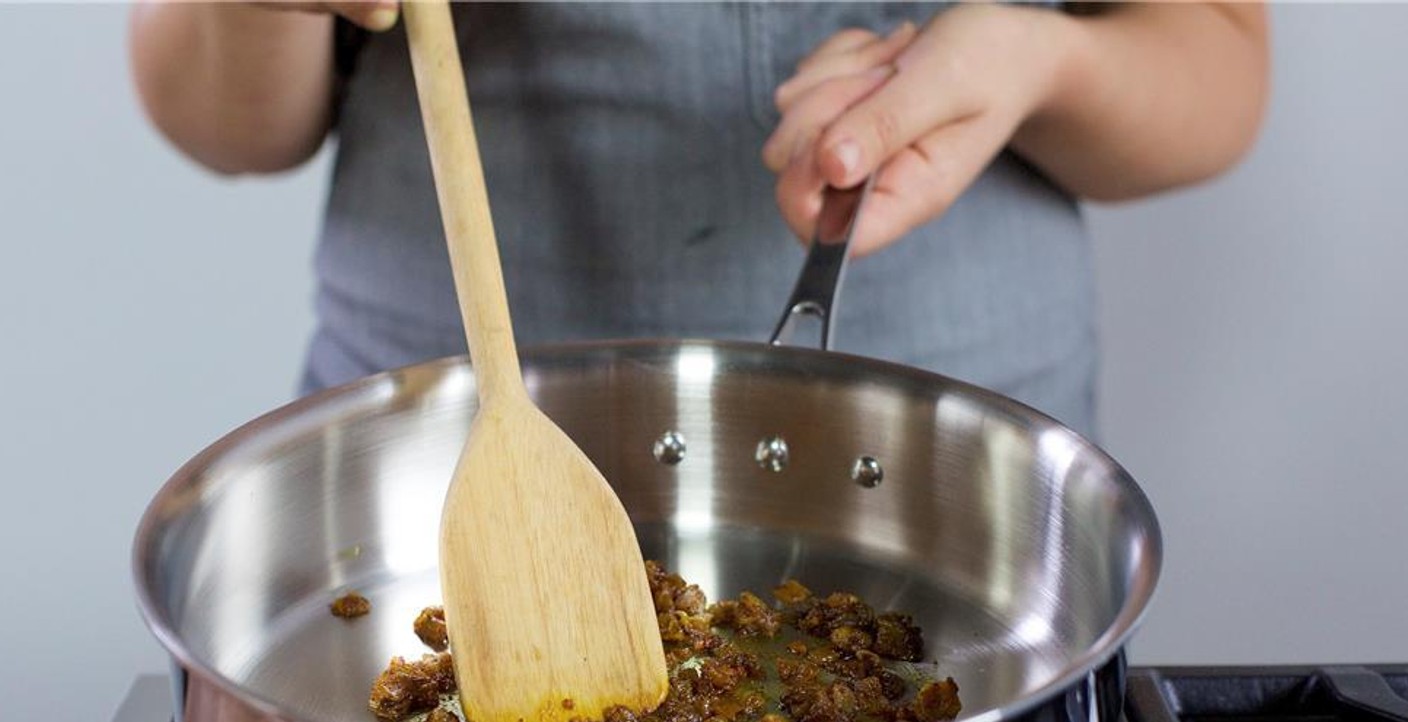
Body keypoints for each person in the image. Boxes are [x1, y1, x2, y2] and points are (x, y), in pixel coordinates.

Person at [129, 2, 1269, 439]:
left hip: (960, 459)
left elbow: (1214, 63)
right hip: (433, 438)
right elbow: (217, 118)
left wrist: (1046, 63)